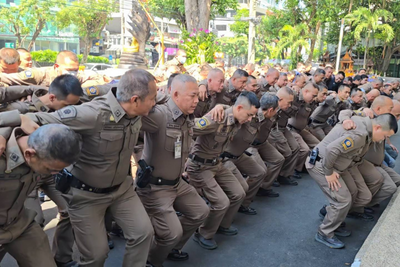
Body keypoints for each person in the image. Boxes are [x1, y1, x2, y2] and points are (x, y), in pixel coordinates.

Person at [0, 69, 156, 266]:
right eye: (152, 98)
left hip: (122, 191)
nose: (155, 102)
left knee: (143, 233)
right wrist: (4, 132)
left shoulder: (138, 107)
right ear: (135, 99)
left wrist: (203, 87)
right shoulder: (91, 114)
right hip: (86, 196)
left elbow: (170, 97)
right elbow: (33, 119)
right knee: (96, 255)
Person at [137, 74, 210, 267]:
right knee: (172, 232)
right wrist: (159, 96)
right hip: (156, 188)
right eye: (192, 96)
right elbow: (131, 110)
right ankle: (152, 259)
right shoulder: (159, 115)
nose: (197, 101)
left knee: (201, 211)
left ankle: (170, 248)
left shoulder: (186, 117)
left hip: (177, 183)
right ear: (175, 94)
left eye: (197, 96)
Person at [307, 114, 398, 249]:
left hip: (337, 166)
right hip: (322, 164)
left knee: (355, 193)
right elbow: (331, 149)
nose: (382, 140)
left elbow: (349, 111)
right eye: (384, 136)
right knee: (343, 200)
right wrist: (329, 173)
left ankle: (334, 220)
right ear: (378, 127)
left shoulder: (366, 129)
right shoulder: (359, 135)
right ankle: (324, 233)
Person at [0, 124, 81, 266]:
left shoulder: (41, 153)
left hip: (19, 224)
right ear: (29, 154)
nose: (54, 174)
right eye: (50, 169)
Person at [187, 91, 259, 250]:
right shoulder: (216, 118)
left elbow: (231, 109)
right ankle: (204, 233)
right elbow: (187, 128)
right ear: (239, 108)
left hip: (217, 163)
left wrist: (222, 105)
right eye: (248, 115)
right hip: (200, 166)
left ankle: (221, 224)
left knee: (239, 192)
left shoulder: (236, 117)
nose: (249, 119)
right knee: (221, 202)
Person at [221, 92, 279, 215]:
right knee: (237, 189)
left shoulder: (260, 117)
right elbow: (232, 109)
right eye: (249, 115)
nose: (250, 118)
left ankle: (244, 204)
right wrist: (219, 107)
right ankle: (226, 211)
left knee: (259, 172)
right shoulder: (248, 115)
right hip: (226, 156)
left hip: (240, 153)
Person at [0, 50, 109, 87]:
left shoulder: (77, 76)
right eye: (68, 70)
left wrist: (82, 87)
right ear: (56, 67)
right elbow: (8, 79)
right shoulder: (39, 74)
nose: (72, 74)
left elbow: (101, 79)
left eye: (74, 70)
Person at [285, 82, 320, 178]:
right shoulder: (294, 97)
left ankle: (305, 165)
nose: (314, 98)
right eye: (313, 95)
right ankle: (295, 169)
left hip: (301, 129)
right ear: (306, 91)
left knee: (317, 145)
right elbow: (284, 93)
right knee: (304, 149)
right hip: (290, 128)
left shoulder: (311, 103)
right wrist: (293, 87)